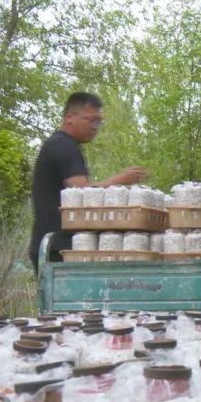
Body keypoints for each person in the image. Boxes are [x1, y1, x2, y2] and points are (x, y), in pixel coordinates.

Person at [28, 92, 145, 271]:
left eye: (98, 121)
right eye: (91, 120)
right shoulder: (63, 146)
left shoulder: (61, 144)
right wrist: (120, 180)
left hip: (58, 245)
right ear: (69, 117)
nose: (95, 127)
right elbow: (82, 195)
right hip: (58, 246)